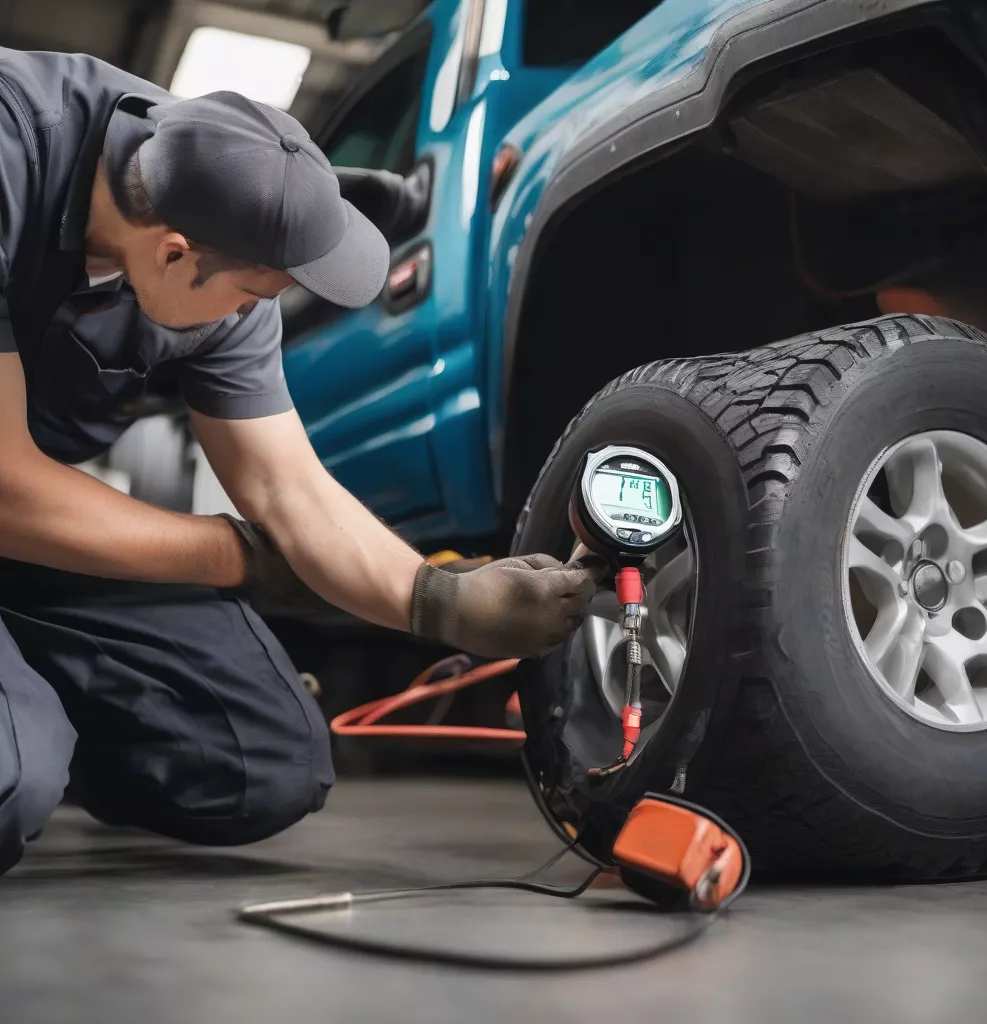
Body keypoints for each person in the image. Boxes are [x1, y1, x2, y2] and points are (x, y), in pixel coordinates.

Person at [0, 49, 602, 875]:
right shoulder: (14, 148)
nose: (260, 313)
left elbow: (288, 487)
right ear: (173, 254)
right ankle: (27, 744)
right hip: (14, 505)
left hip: (35, 543)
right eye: (255, 295)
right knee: (9, 778)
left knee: (264, 764)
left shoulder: (221, 212)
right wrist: (233, 554)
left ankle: (38, 722)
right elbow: (4, 487)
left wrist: (442, 600)